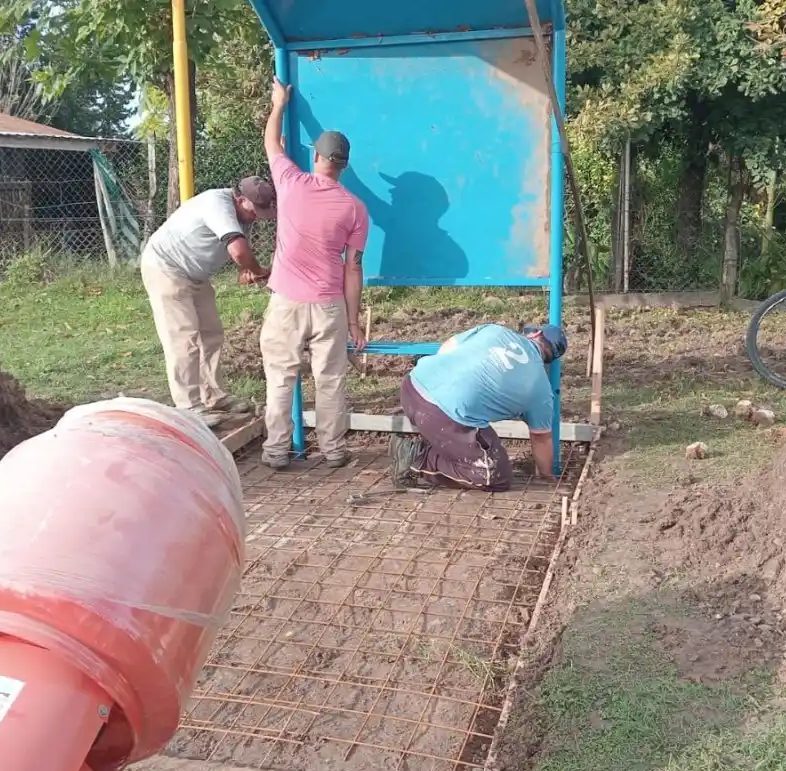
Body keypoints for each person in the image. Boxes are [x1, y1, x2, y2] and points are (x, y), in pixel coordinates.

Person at [259, 76, 370, 470]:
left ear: (317, 157)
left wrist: (279, 104)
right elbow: (352, 268)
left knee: (280, 379)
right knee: (331, 380)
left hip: (287, 301)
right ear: (344, 165)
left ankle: (275, 451)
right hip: (329, 305)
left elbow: (272, 143)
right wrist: (354, 321)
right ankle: (334, 450)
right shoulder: (356, 209)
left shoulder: (290, 182)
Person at [140, 177, 275, 428]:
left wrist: (246, 269)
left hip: (195, 274)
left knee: (211, 333)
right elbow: (239, 252)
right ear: (240, 199)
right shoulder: (217, 204)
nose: (258, 217)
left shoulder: (242, 213)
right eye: (255, 210)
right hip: (167, 267)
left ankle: (213, 395)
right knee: (183, 338)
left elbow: (236, 254)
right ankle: (188, 407)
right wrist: (256, 269)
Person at [389, 322, 568, 492]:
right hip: (441, 415)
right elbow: (541, 439)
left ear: (535, 334)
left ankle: (436, 444)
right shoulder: (541, 391)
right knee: (494, 475)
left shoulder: (495, 331)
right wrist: (546, 476)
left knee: (463, 425)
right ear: (550, 359)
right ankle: (415, 457)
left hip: (412, 387)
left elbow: (448, 347)